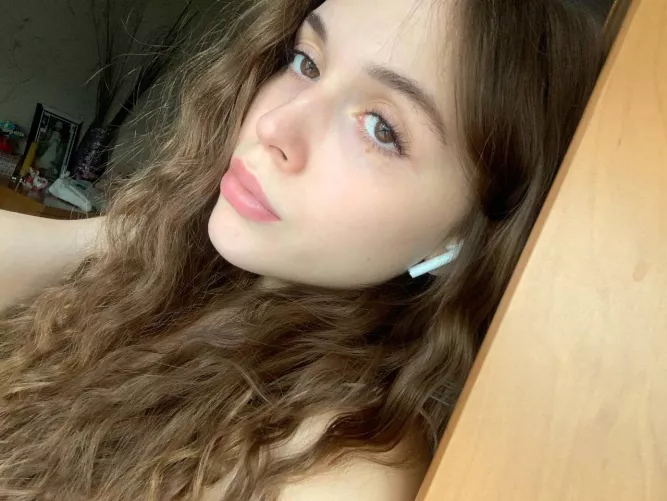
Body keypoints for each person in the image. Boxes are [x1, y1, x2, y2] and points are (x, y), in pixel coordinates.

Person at [0, 0, 605, 499]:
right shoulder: (177, 274)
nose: (275, 125)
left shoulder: (342, 465)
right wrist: (149, 228)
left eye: (381, 129)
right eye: (306, 62)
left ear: (463, 236)